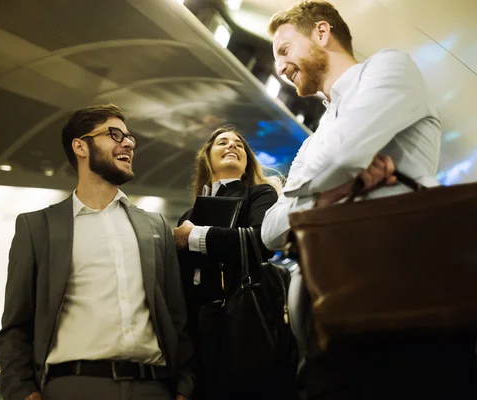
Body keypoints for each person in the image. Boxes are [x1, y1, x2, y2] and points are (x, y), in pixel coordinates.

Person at [261, 1, 476, 398]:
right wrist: (329, 195)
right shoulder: (313, 141)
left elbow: (344, 156)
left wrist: (311, 190)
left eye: (285, 50)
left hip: (406, 314)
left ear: (322, 33)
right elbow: (270, 230)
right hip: (327, 337)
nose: (280, 67)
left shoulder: (388, 67)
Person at [0, 104, 194, 400]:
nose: (127, 143)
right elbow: (16, 324)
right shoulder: (38, 228)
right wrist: (22, 391)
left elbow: (177, 317)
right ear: (80, 146)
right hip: (73, 387)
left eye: (130, 138)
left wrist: (184, 388)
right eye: (115, 134)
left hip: (152, 387)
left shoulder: (154, 226)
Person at [173, 125, 296, 399]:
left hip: (247, 326)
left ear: (247, 161)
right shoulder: (189, 214)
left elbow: (261, 242)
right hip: (200, 334)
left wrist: (195, 236)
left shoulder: (260, 194)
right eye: (222, 142)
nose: (232, 146)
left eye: (239, 144)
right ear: (207, 157)